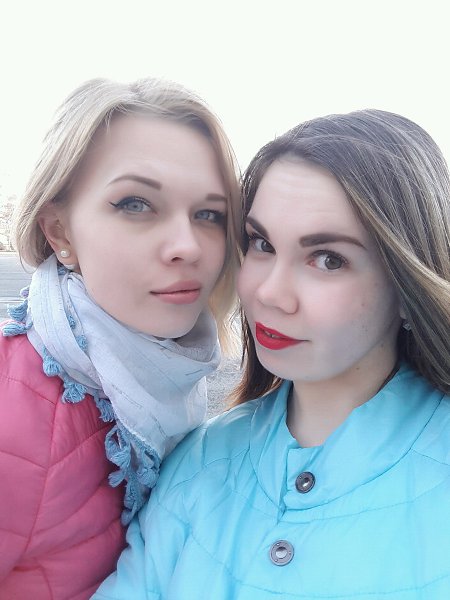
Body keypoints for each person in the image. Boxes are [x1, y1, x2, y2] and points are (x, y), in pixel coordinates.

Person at [94, 109, 450, 599]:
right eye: (262, 244)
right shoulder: (199, 462)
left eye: (328, 259)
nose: (269, 293)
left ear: (409, 287)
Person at [0, 76, 241, 599]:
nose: (187, 246)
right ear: (59, 231)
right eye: (135, 204)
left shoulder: (164, 368)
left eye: (209, 214)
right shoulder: (13, 407)